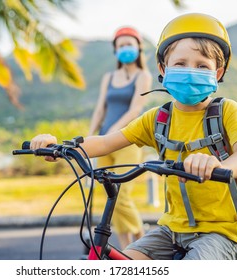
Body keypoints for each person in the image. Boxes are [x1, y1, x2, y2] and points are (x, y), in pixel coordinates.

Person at [30, 13, 237, 260]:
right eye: (180, 64)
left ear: (217, 73)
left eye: (202, 65)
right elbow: (107, 141)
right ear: (163, 69)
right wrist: (59, 146)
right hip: (171, 229)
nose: (190, 71)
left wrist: (219, 165)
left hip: (221, 232)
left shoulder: (227, 111)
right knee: (123, 264)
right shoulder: (158, 119)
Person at [87, 26, 152, 249]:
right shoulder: (109, 77)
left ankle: (142, 242)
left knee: (123, 196)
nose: (125, 48)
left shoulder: (143, 76)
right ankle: (126, 251)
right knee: (109, 197)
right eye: (121, 45)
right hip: (104, 142)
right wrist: (88, 138)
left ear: (138, 48)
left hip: (127, 139)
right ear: (115, 50)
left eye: (129, 44)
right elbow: (100, 109)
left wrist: (112, 133)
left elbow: (135, 110)